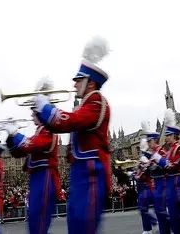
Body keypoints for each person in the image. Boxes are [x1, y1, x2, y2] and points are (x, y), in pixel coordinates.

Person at [32, 36, 112, 234]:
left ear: (90, 83)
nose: (75, 84)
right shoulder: (87, 104)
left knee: (82, 227)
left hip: (91, 173)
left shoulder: (96, 102)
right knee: (75, 225)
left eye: (78, 80)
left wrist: (45, 107)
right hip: (81, 173)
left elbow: (69, 121)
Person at [5, 79, 62, 234]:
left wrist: (15, 133)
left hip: (45, 179)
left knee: (38, 225)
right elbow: (20, 152)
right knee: (35, 224)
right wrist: (11, 137)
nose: (31, 115)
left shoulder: (48, 131)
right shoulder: (40, 131)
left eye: (33, 111)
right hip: (38, 178)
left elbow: (30, 145)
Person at [140, 131, 171, 234]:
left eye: (150, 141)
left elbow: (167, 166)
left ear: (155, 140)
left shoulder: (161, 151)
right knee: (158, 210)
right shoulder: (153, 153)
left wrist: (155, 165)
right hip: (156, 183)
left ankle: (169, 229)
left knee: (162, 210)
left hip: (163, 182)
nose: (148, 144)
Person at [134, 155, 158, 234]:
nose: (139, 163)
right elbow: (136, 176)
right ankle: (147, 229)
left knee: (142, 209)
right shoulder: (140, 170)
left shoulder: (146, 169)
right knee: (143, 209)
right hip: (141, 190)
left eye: (141, 162)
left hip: (146, 188)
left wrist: (141, 167)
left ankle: (154, 220)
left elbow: (139, 177)